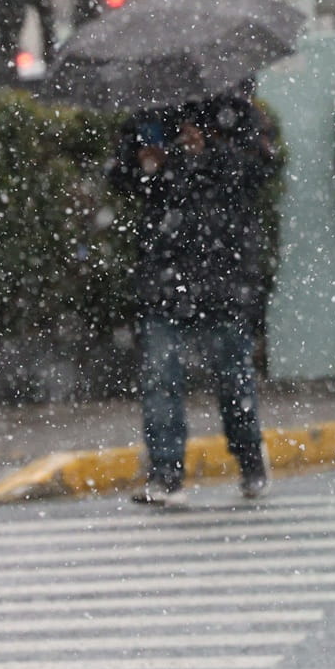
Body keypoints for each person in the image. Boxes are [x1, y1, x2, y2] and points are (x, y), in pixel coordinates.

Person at [110, 92, 280, 505]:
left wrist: (208, 151)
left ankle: (250, 460)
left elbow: (260, 168)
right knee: (160, 376)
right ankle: (166, 474)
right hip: (164, 266)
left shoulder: (234, 109)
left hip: (223, 265)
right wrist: (148, 164)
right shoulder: (149, 114)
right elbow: (121, 177)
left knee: (232, 375)